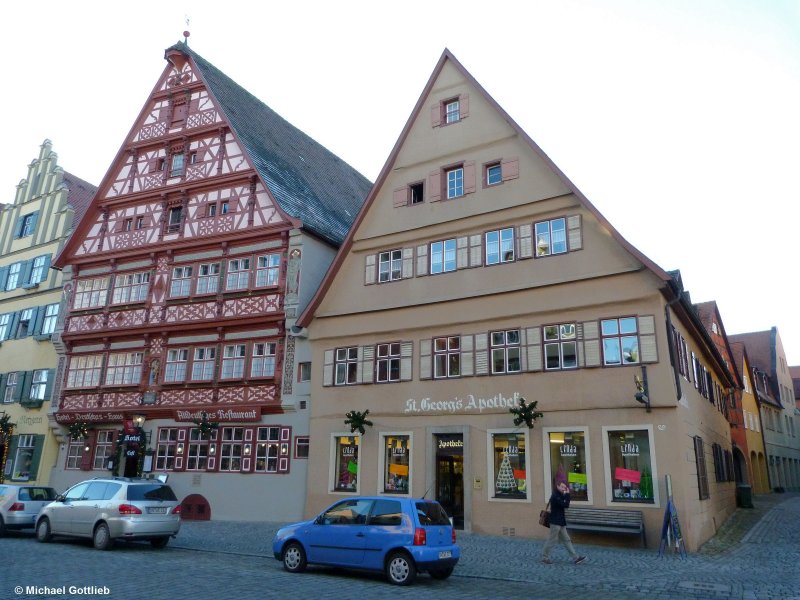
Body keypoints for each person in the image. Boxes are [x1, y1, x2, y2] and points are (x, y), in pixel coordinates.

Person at [541, 481, 586, 564]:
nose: (563, 489)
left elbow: (565, 503)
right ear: (557, 486)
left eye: (564, 487)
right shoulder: (555, 495)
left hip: (561, 521)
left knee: (566, 540)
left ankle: (576, 558)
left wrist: (566, 495)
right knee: (552, 539)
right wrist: (568, 494)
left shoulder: (560, 495)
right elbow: (565, 505)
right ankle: (545, 557)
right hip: (555, 521)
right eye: (562, 487)